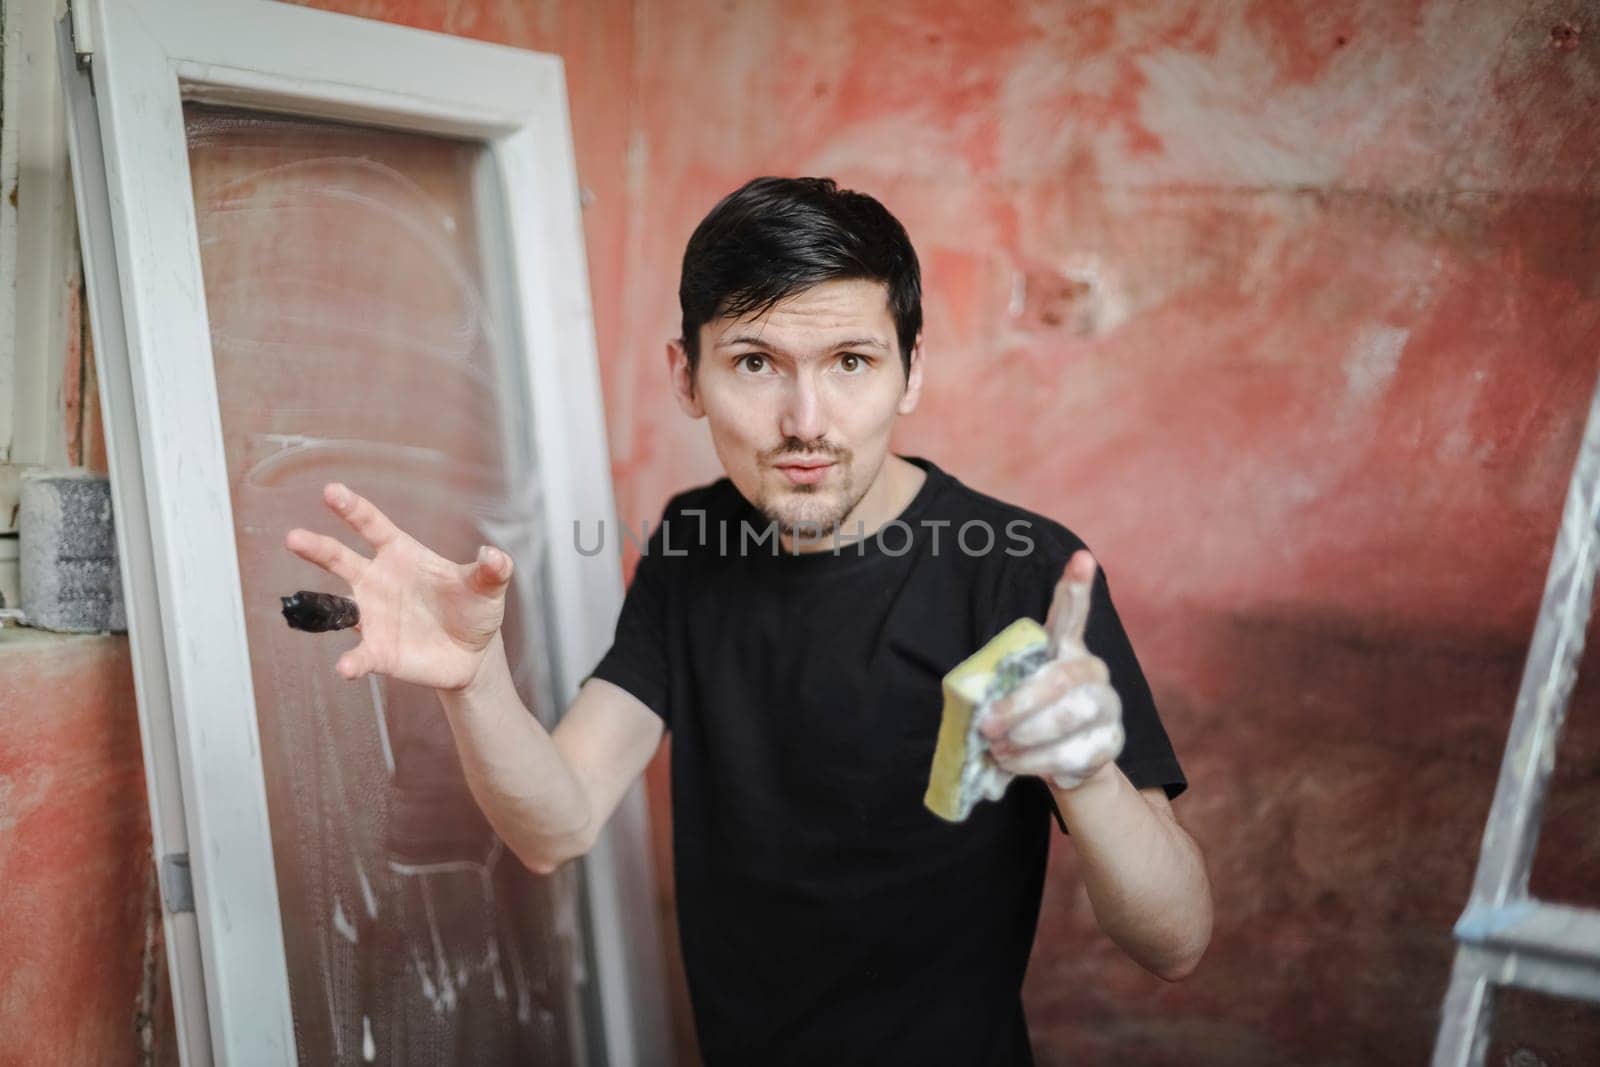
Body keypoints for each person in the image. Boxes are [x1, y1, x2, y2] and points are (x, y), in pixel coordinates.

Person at [285, 176, 1212, 1064]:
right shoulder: (692, 542)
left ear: (911, 371)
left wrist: (1087, 775)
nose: (805, 421)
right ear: (686, 376)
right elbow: (555, 823)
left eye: (851, 361)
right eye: (756, 363)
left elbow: (1176, 942)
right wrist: (474, 680)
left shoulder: (1023, 571)